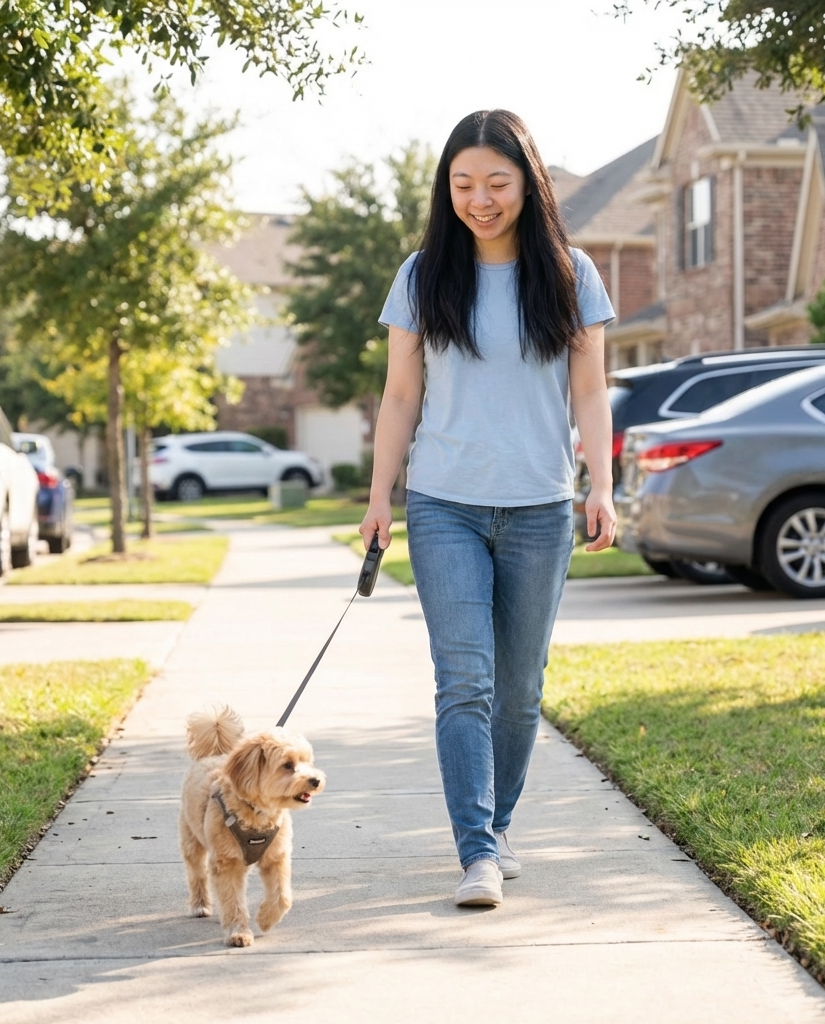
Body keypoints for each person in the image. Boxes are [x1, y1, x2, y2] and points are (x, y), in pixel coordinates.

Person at [359, 109, 617, 908]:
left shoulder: (571, 274)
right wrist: (380, 498)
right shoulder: (423, 274)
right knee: (463, 677)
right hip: (446, 505)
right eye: (463, 184)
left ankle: (499, 824)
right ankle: (475, 851)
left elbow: (589, 390)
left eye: (497, 183)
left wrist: (600, 484)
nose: (480, 198)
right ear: (447, 189)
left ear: (527, 182)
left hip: (540, 506)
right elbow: (401, 396)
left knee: (520, 687)